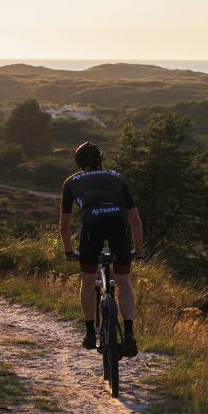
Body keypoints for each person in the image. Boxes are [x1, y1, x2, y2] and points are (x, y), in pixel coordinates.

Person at [59, 141, 144, 356]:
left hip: (92, 225)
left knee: (88, 280)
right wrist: (139, 250)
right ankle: (129, 333)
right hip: (119, 223)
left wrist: (69, 251)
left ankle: (89, 333)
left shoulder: (71, 182)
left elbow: (65, 224)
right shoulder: (117, 177)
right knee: (124, 281)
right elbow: (135, 220)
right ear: (101, 160)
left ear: (78, 163)